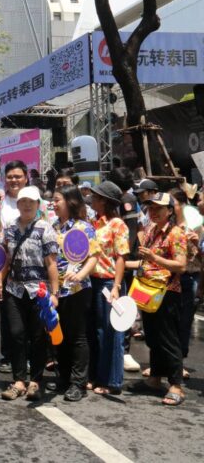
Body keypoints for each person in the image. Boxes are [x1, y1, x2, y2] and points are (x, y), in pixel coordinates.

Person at [0, 186, 59, 402]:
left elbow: (51, 263)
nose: (26, 205)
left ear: (38, 204)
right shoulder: (10, 228)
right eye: (23, 201)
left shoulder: (45, 228)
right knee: (16, 333)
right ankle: (19, 380)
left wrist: (54, 293)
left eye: (31, 202)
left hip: (38, 291)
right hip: (14, 289)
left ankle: (36, 381)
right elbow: (5, 258)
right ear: (18, 204)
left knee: (38, 336)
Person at [126, 192, 187, 406]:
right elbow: (145, 264)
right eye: (150, 208)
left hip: (167, 292)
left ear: (169, 211)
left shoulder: (176, 233)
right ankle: (155, 379)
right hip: (148, 290)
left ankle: (176, 385)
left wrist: (154, 257)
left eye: (158, 208)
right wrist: (119, 265)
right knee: (152, 337)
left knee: (168, 339)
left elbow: (181, 265)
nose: (153, 212)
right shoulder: (151, 231)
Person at [0, 160, 47, 374]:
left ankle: (31, 358)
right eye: (10, 176)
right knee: (8, 315)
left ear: (26, 178)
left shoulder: (41, 205)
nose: (14, 180)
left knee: (33, 318)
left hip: (35, 269)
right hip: (5, 266)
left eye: (18, 176)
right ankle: (8, 356)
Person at [52, 186, 100, 402]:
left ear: (70, 201)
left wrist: (80, 275)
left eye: (57, 200)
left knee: (77, 335)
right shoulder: (53, 227)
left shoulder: (83, 227)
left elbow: (94, 256)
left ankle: (78, 382)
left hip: (77, 290)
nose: (54, 204)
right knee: (59, 334)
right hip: (56, 290)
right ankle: (62, 377)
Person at [88, 181, 128, 395]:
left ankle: (111, 380)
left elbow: (120, 257)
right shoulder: (93, 223)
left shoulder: (117, 224)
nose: (91, 199)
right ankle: (95, 376)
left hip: (108, 282)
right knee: (96, 331)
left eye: (95, 196)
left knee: (111, 332)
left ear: (104, 201)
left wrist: (116, 286)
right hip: (92, 281)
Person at [107, 167, 141, 372]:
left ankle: (124, 350)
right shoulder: (119, 198)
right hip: (115, 261)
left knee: (122, 305)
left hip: (121, 262)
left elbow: (131, 232)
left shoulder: (126, 199)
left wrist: (123, 257)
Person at [167, 188, 200, 379]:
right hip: (169, 277)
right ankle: (166, 363)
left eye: (173, 203)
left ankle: (179, 362)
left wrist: (196, 244)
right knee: (168, 321)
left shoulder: (194, 225)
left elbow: (199, 256)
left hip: (188, 276)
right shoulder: (168, 225)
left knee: (184, 321)